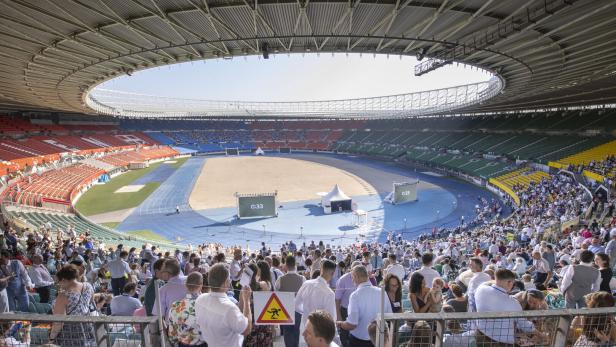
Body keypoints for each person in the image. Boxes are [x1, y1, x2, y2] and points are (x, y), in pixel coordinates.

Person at [195, 263, 252, 347]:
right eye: (229, 279)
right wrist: (247, 301)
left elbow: (233, 319)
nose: (230, 281)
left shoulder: (200, 299)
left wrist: (241, 299)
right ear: (226, 283)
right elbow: (246, 330)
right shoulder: (229, 308)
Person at [475, 269, 534, 346]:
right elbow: (525, 326)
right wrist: (541, 335)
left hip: (480, 335)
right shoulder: (513, 303)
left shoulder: (480, 288)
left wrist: (498, 281)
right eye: (513, 283)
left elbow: (488, 283)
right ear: (509, 283)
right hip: (499, 343)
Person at [337, 265, 392, 347]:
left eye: (352, 277)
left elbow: (352, 324)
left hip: (359, 341)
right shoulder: (382, 292)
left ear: (356, 277)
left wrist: (340, 323)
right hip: (378, 339)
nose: (352, 280)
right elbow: (389, 316)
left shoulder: (355, 295)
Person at [48, 265, 96, 347]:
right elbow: (91, 303)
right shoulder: (88, 286)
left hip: (70, 333)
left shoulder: (63, 296)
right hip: (88, 328)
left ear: (63, 280)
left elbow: (58, 322)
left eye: (59, 282)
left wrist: (51, 339)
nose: (59, 284)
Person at [296, 259, 338, 343]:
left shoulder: (306, 284)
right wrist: (336, 338)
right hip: (320, 334)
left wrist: (306, 313)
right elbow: (332, 319)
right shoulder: (329, 293)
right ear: (333, 273)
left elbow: (296, 305)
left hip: (306, 329)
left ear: (321, 269)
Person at [167, 272, 207, 347]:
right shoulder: (206, 306)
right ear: (201, 285)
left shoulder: (175, 305)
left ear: (186, 285)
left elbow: (172, 334)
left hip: (182, 344)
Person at [242, 261, 274, 347]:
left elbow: (241, 308)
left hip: (251, 323)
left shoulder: (244, 289)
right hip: (263, 322)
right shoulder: (264, 285)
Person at [276, 255, 305, 347]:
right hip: (298, 310)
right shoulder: (302, 279)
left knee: (287, 333)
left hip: (285, 310)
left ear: (286, 265)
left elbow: (276, 293)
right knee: (296, 331)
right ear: (295, 265)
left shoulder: (280, 279)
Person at [335, 261, 360, 347]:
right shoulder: (343, 280)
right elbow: (337, 299)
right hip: (345, 311)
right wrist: (338, 315)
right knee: (345, 334)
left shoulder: (364, 278)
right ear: (351, 269)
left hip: (359, 311)